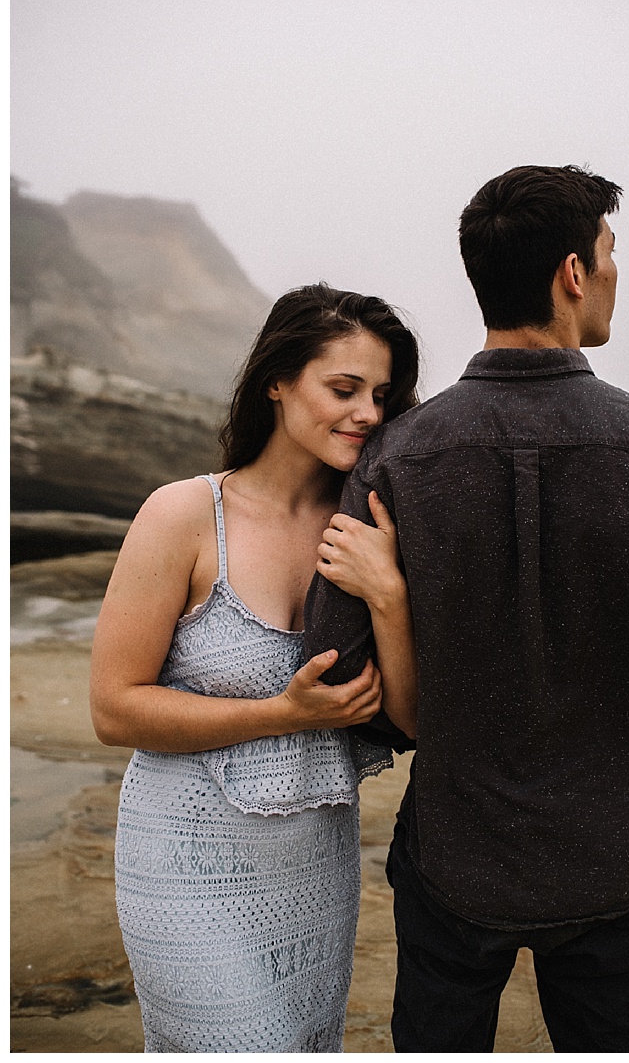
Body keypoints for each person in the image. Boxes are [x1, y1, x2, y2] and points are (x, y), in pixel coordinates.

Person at [303, 164, 629, 1053]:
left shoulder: (395, 456)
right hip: (614, 861)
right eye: (611, 252)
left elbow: (333, 666)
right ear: (573, 274)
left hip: (451, 858)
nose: (617, 273)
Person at [91, 284, 422, 1051]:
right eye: (343, 388)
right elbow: (113, 708)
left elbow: (409, 718)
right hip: (183, 865)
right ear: (277, 379)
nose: (369, 412)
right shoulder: (183, 514)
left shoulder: (373, 526)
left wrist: (390, 593)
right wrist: (284, 713)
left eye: (381, 394)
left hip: (315, 871)